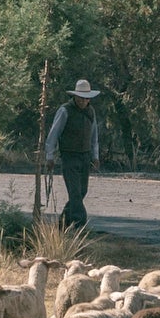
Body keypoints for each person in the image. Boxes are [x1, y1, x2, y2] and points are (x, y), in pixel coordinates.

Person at [43, 78, 100, 230]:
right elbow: (53, 134)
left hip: (85, 156)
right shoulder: (65, 110)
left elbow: (94, 137)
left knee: (82, 191)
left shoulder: (91, 112)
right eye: (81, 98)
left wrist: (95, 156)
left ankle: (62, 224)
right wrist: (50, 156)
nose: (83, 101)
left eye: (86, 98)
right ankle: (80, 224)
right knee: (74, 192)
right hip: (69, 157)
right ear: (75, 96)